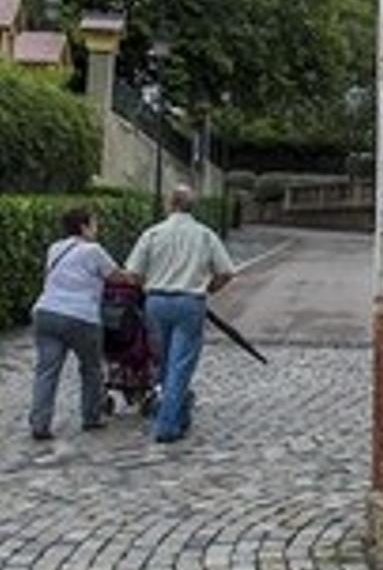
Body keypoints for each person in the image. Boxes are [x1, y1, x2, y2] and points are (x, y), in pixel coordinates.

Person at [125, 184, 235, 443]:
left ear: (169, 204)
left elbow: (133, 273)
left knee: (163, 362)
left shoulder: (153, 234)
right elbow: (226, 272)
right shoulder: (205, 235)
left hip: (157, 301)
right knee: (181, 363)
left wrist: (148, 285)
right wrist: (209, 288)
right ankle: (168, 424)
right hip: (189, 301)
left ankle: (176, 413)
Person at [29, 204, 123, 440]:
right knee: (91, 368)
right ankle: (91, 417)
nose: (97, 228)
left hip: (46, 312)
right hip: (81, 317)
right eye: (94, 223)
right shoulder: (93, 250)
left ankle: (40, 423)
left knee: (46, 371)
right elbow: (116, 276)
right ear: (84, 227)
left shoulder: (55, 248)